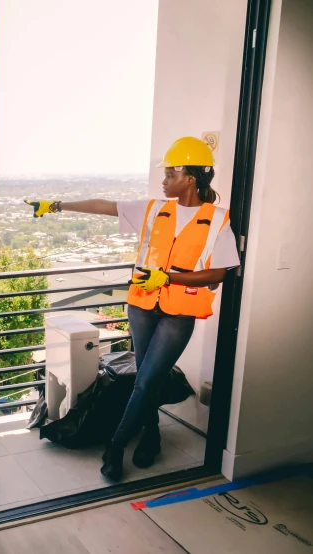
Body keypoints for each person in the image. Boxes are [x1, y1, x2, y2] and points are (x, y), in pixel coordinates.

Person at [25, 136, 240, 480]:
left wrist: (167, 278)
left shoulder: (217, 220)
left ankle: (116, 446)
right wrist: (56, 205)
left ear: (191, 177)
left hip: (179, 312)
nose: (164, 179)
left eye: (171, 173)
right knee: (145, 378)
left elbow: (219, 272)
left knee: (147, 380)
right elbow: (105, 205)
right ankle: (151, 436)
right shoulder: (155, 207)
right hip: (141, 306)